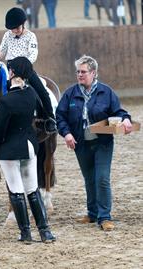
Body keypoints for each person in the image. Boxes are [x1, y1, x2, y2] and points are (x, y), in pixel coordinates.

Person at [56, 55, 132, 231]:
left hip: (103, 142)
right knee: (89, 179)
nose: (80, 75)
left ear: (93, 73)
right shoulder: (70, 93)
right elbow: (60, 116)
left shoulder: (106, 92)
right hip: (80, 143)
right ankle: (92, 213)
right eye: (78, 72)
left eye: (83, 72)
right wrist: (66, 134)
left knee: (102, 178)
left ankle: (104, 217)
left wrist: (126, 120)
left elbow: (120, 112)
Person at [0, 56, 56, 243]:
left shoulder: (5, 101)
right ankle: (45, 232)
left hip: (10, 151)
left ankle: (26, 233)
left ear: (11, 73)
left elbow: (0, 129)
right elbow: (40, 107)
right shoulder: (31, 95)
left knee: (17, 192)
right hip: (29, 147)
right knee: (33, 190)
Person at [0, 7, 56, 134]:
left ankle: (50, 118)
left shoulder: (30, 36)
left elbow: (33, 53)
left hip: (25, 68)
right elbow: (2, 50)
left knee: (42, 91)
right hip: (11, 69)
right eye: (13, 28)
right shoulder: (7, 35)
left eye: (17, 28)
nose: (15, 31)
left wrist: (24, 65)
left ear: (23, 24)